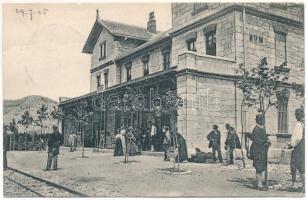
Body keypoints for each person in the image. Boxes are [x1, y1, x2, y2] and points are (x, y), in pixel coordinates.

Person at [246, 114, 270, 190]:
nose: (263, 121)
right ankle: (259, 184)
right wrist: (265, 142)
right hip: (258, 151)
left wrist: (267, 141)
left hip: (262, 151)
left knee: (261, 166)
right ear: (258, 120)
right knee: (259, 167)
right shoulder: (256, 129)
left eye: (263, 119)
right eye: (262, 119)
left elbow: (264, 138)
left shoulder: (261, 129)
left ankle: (260, 182)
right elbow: (257, 140)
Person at [288, 108, 305, 190]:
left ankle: (294, 184)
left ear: (298, 115)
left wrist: (291, 144)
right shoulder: (304, 123)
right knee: (303, 166)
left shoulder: (299, 124)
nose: (295, 116)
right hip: (304, 148)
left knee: (294, 165)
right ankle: (304, 185)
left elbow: (297, 138)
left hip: (298, 148)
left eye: (296, 115)